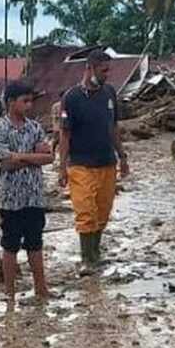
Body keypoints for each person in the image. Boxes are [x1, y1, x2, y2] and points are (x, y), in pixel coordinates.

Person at [57, 50, 130, 271]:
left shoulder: (109, 93)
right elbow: (65, 134)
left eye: (109, 70)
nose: (107, 74)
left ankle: (96, 254)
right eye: (103, 70)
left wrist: (122, 156)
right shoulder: (71, 98)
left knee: (102, 211)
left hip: (107, 162)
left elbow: (113, 127)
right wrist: (62, 168)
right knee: (86, 212)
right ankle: (86, 258)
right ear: (89, 68)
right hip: (80, 164)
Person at [0, 79, 55, 303]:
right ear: (10, 102)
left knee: (35, 243)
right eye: (25, 101)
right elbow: (5, 162)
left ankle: (41, 288)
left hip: (34, 197)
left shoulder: (35, 127)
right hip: (10, 199)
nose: (29, 105)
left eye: (31, 101)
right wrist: (32, 157)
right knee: (10, 245)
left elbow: (49, 157)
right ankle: (9, 292)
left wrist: (20, 156)